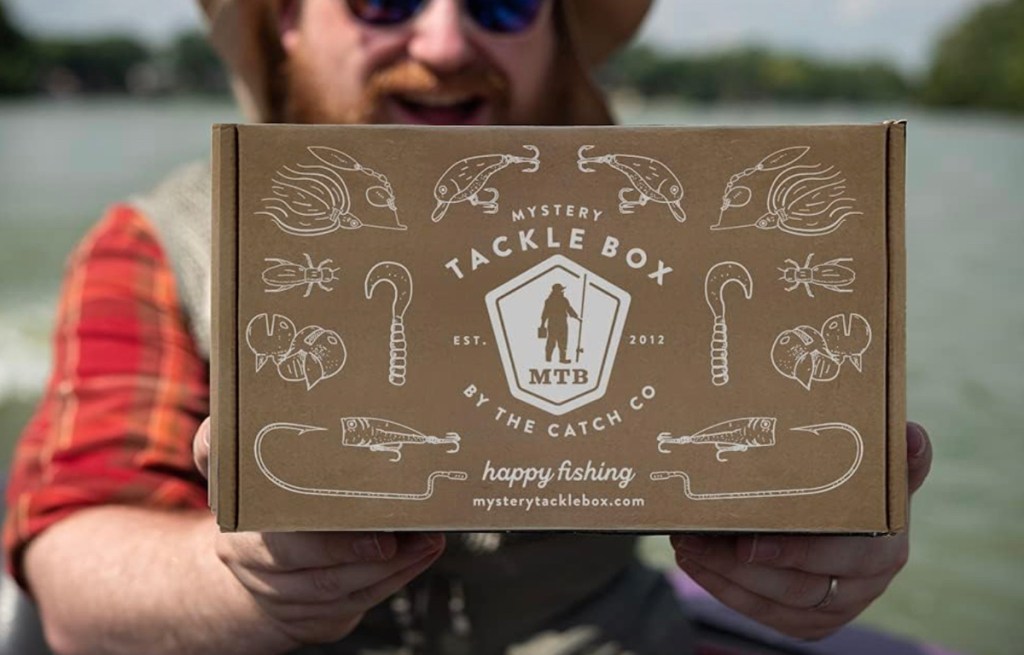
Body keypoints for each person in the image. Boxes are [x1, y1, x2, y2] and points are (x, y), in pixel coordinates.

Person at [2, 1, 933, 654]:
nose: (445, 42)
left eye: (502, 4)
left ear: (552, 33)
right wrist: (239, 576)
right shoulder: (160, 241)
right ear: (285, 18)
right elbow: (76, 574)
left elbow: (786, 463)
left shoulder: (688, 223)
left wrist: (820, 555)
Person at [541, 283, 581, 364]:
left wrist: (576, 317)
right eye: (561, 290)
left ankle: (562, 359)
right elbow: (545, 313)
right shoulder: (549, 301)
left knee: (562, 341)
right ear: (556, 291)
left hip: (561, 322)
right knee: (552, 341)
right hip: (554, 323)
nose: (562, 291)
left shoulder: (563, 300)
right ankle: (548, 359)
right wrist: (542, 324)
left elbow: (569, 309)